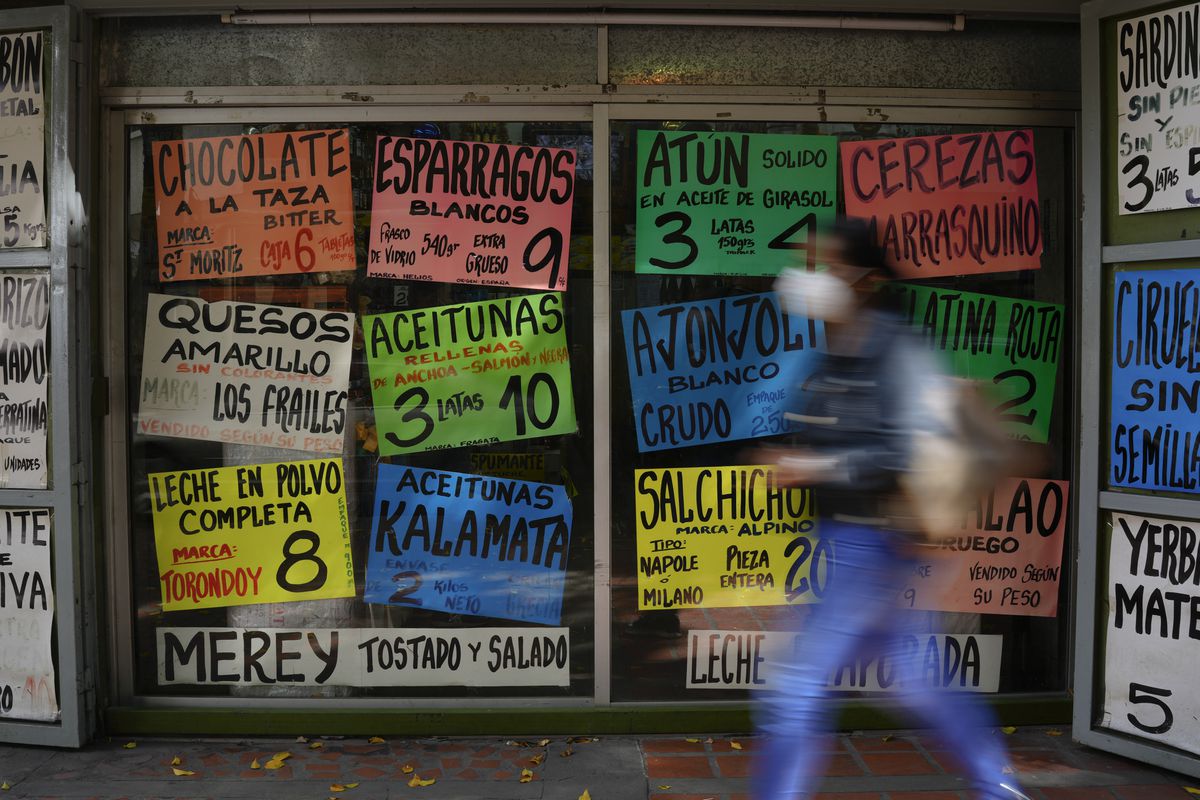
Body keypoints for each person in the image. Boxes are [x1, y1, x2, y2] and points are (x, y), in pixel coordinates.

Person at [752, 217, 1032, 800]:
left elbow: (909, 449)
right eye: (810, 264)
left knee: (793, 687)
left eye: (828, 266)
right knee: (916, 678)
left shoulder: (898, 350)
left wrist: (816, 467)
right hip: (849, 540)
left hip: (871, 542)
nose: (810, 277)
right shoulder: (834, 348)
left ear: (868, 279)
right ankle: (999, 787)